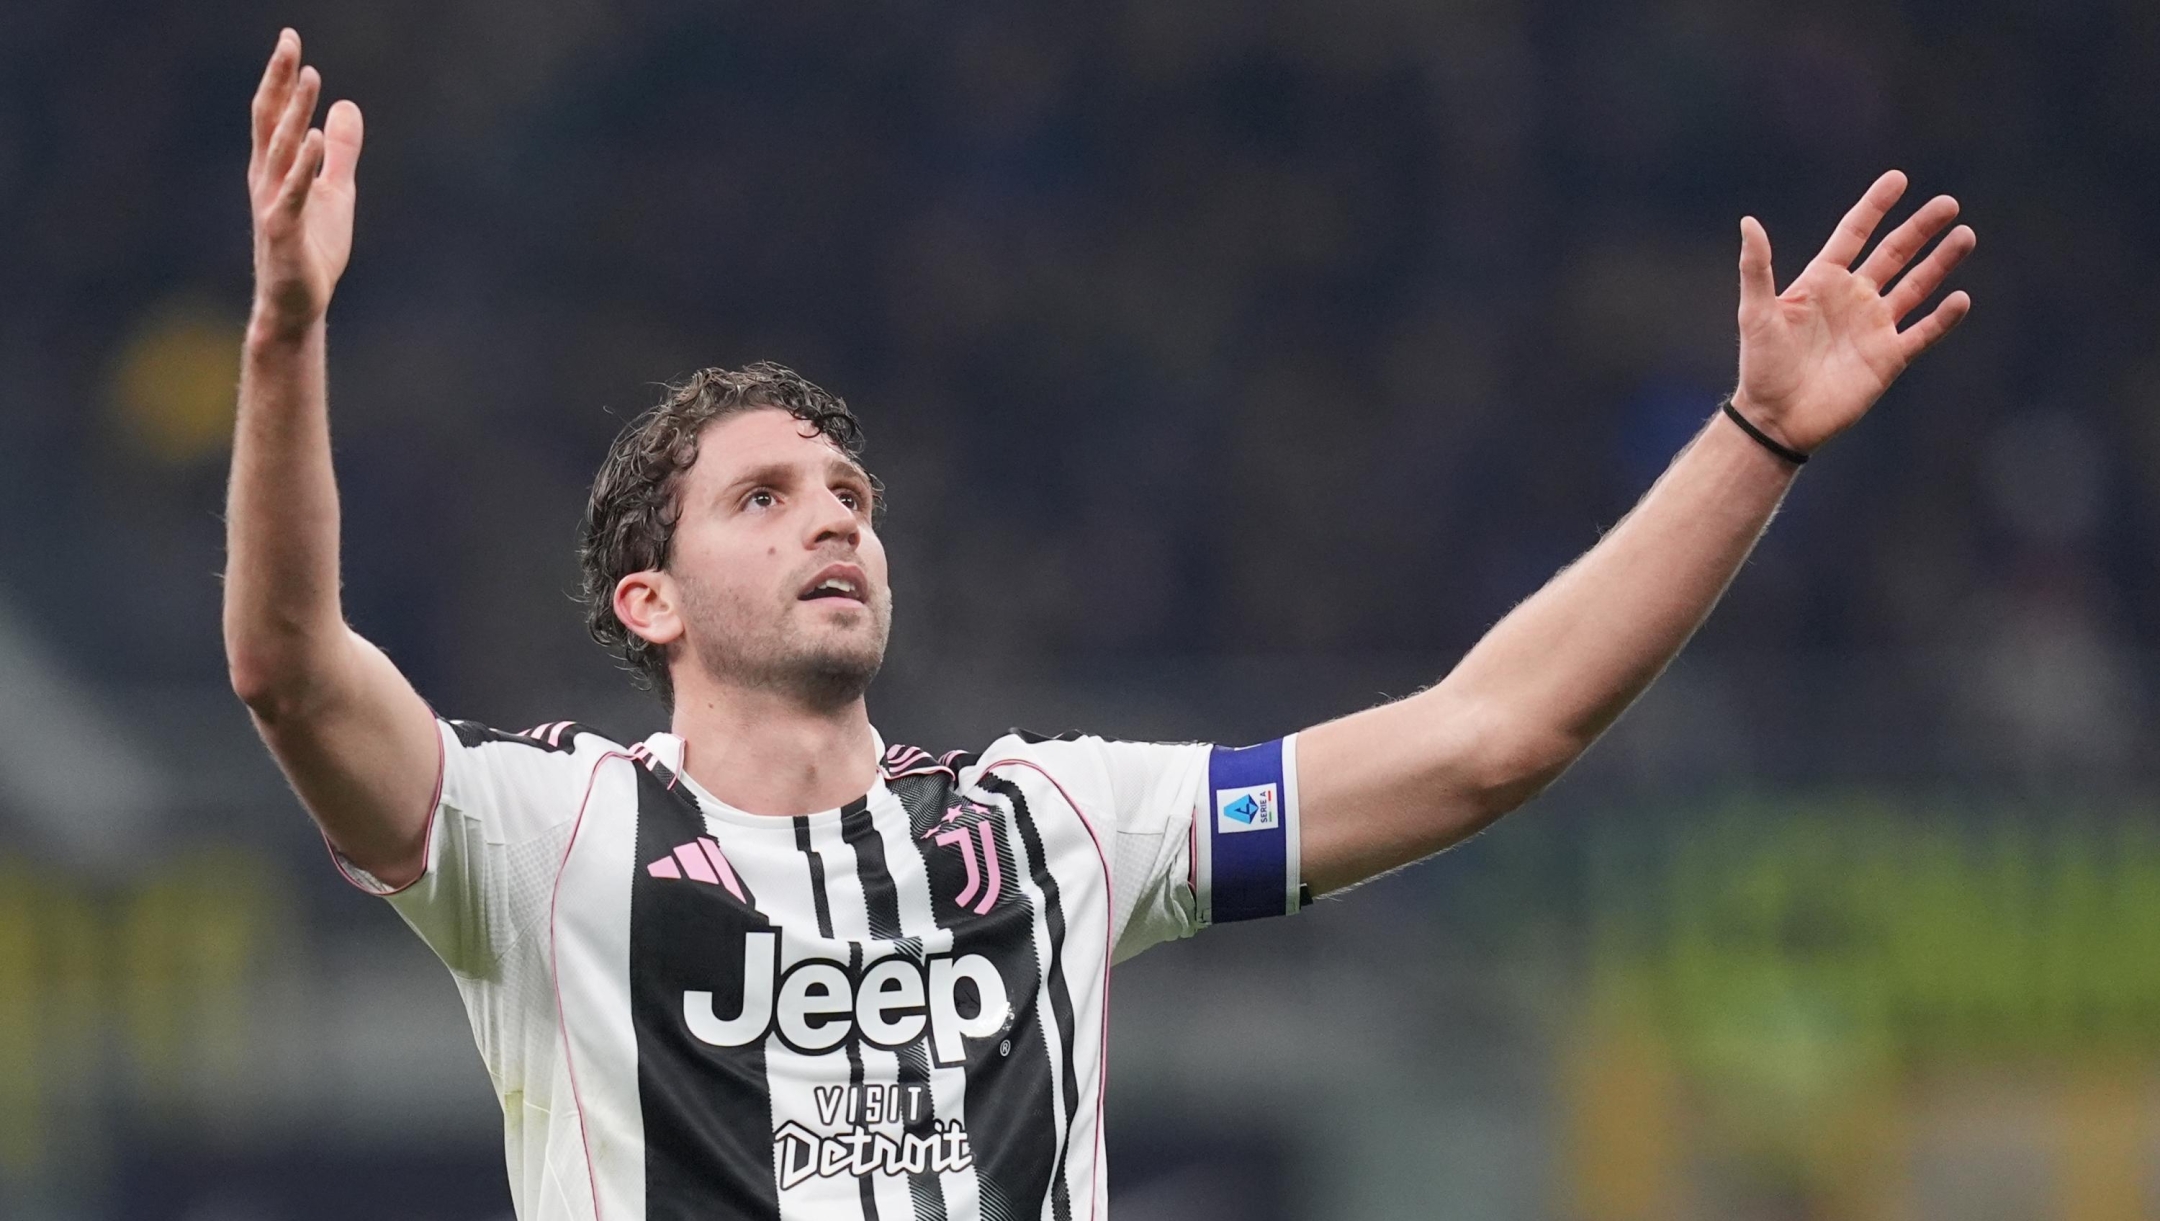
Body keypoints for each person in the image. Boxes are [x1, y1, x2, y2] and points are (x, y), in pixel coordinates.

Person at [223, 27, 1975, 1221]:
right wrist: (288, 330)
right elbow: (292, 670)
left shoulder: (1048, 824)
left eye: (850, 492)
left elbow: (1486, 735)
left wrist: (1750, 443)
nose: (835, 510)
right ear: (648, 597)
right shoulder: (545, 839)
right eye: (764, 495)